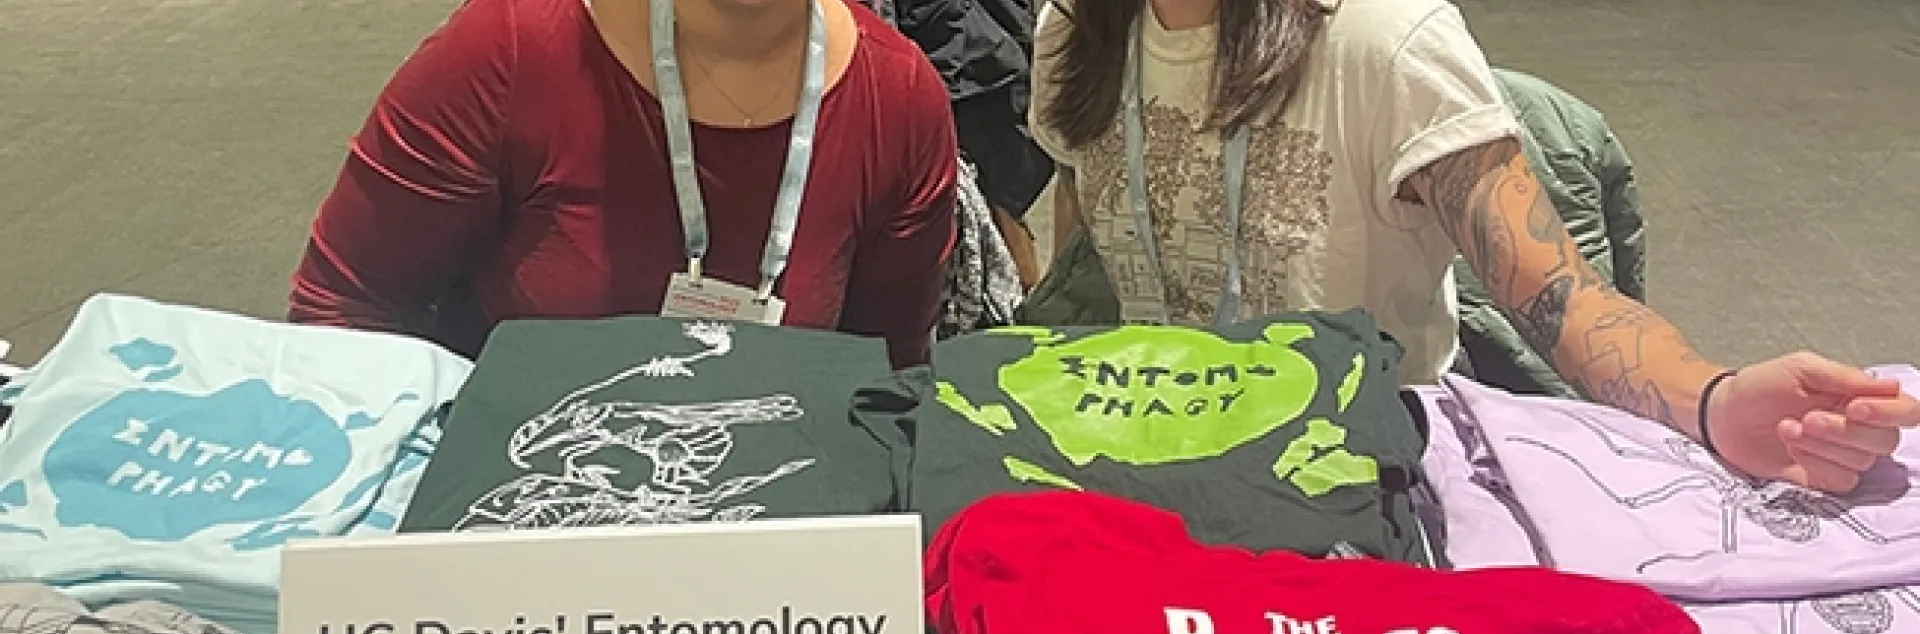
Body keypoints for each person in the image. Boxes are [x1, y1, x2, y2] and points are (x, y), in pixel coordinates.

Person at [1025, 0, 1920, 493]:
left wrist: (1717, 401)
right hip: (1151, 462)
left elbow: (1564, 300)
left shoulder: (1386, 44)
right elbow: (1092, 256)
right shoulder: (1077, 34)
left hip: (1360, 480)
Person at [288, 0, 958, 369]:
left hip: (757, 555)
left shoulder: (897, 100)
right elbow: (342, 313)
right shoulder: (510, 51)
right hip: (517, 532)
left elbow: (886, 380)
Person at [1453, 68, 1646, 399]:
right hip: (1589, 358)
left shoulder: (1375, 120)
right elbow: (1626, 235)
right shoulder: (1565, 111)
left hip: (1476, 370)